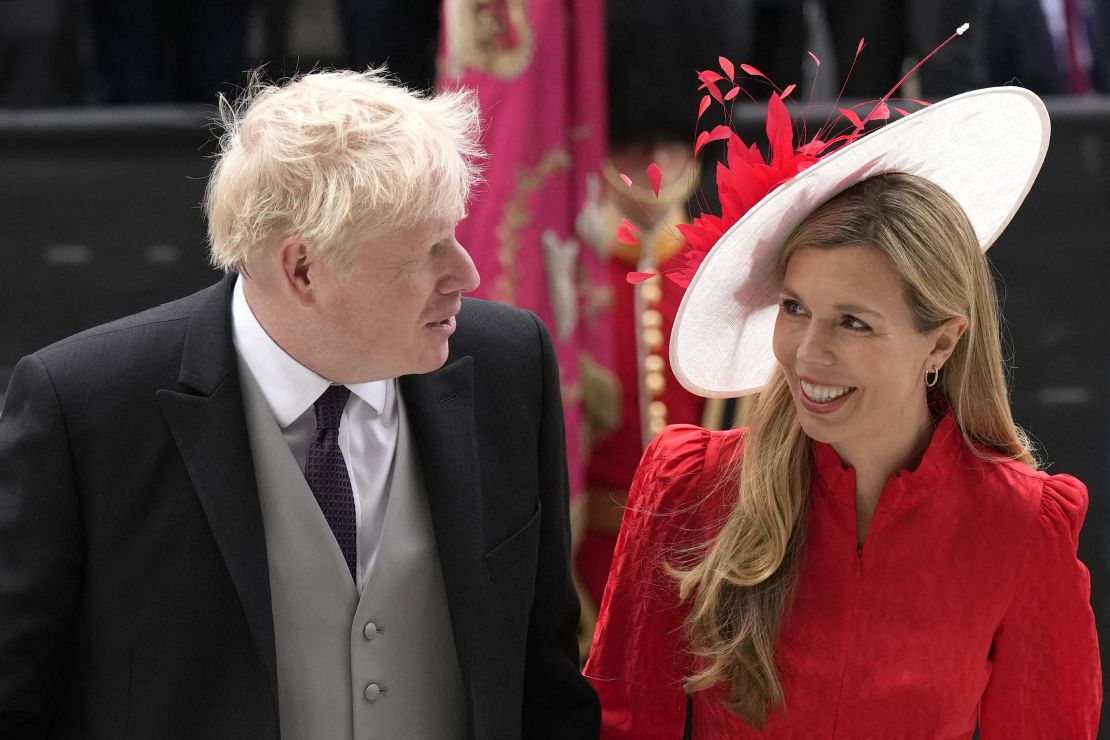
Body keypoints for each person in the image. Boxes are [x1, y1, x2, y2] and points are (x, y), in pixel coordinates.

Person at [0, 69, 600, 739]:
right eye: (427, 250)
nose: (467, 273)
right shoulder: (86, 409)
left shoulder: (508, 368)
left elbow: (547, 684)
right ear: (303, 269)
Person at [585, 83, 1101, 736]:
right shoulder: (690, 486)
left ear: (941, 339)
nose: (808, 352)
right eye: (795, 308)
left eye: (853, 323)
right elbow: (620, 726)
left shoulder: (1023, 526)